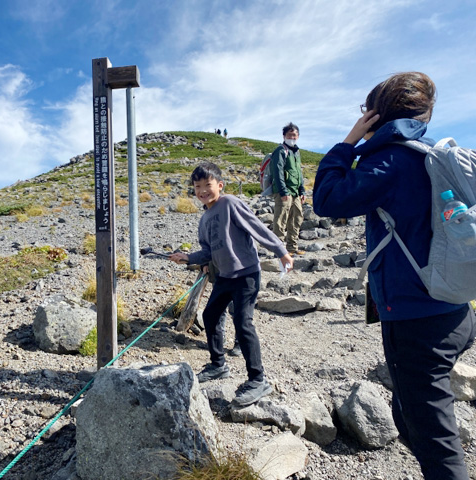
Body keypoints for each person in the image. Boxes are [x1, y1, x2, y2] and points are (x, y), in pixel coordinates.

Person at [312, 72, 476, 480]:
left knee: (437, 448)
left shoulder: (391, 161)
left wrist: (348, 142)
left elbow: (327, 199)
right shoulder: (434, 156)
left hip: (416, 321)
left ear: (375, 114)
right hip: (456, 308)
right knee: (411, 420)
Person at [169, 162, 293, 406]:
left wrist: (281, 251)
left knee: (242, 322)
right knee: (211, 315)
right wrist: (187, 258)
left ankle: (258, 380)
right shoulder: (204, 219)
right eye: (197, 187)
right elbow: (207, 251)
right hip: (225, 276)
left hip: (246, 274)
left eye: (208, 185)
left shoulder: (230, 203)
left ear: (220, 185)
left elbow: (257, 227)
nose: (203, 190)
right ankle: (218, 364)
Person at [271, 122, 305, 255]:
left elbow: (299, 173)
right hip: (284, 192)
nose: (293, 137)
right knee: (280, 219)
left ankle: (292, 247)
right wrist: (283, 190)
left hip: (295, 192)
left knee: (296, 218)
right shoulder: (280, 150)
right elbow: (277, 171)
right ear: (284, 135)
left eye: (295, 135)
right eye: (290, 134)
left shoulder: (296, 152)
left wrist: (302, 190)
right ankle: (279, 250)